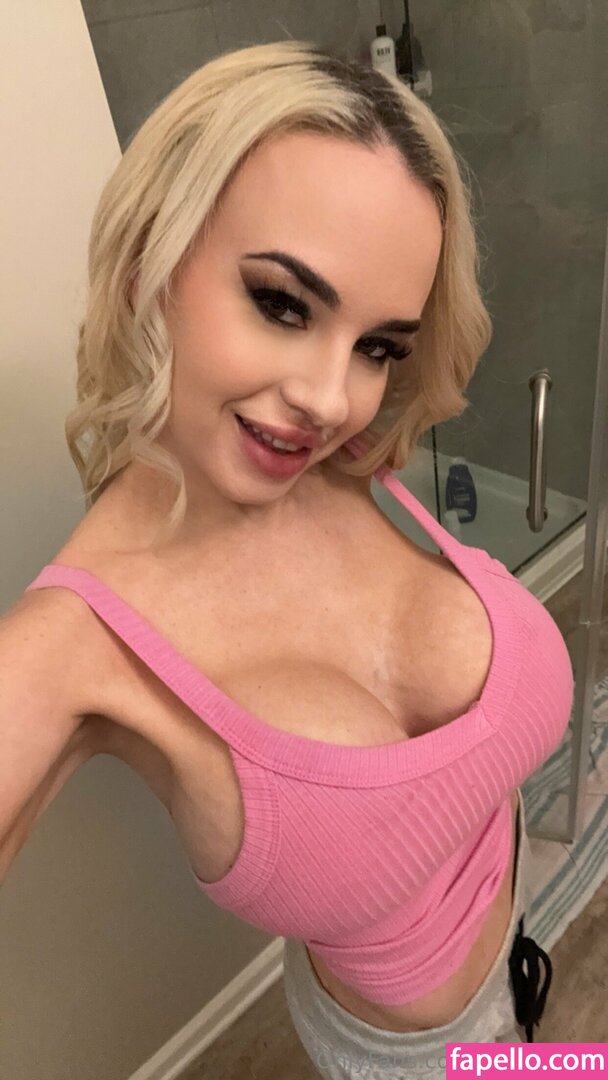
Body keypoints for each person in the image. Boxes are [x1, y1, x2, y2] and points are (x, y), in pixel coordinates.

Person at [2, 40, 571, 1078]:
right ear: (147, 267)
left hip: (513, 941)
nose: (330, 398)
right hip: (410, 1058)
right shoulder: (65, 651)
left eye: (377, 347)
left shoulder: (357, 464)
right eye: (281, 303)